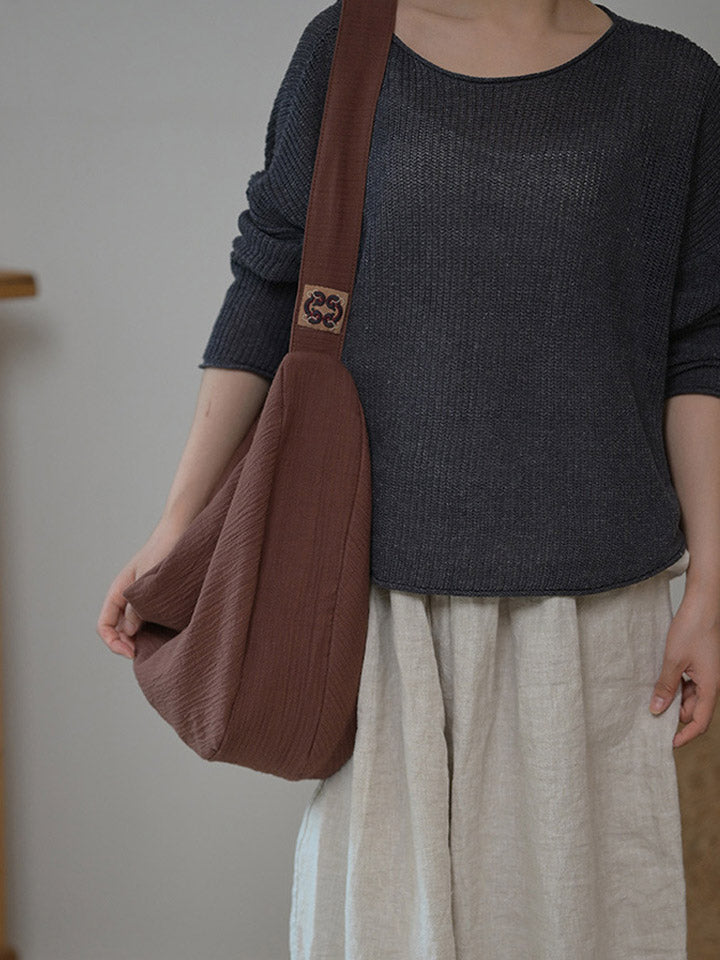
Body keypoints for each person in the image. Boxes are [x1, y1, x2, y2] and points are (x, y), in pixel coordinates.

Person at [98, 0, 720, 956]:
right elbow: (269, 283)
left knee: (582, 928)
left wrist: (710, 582)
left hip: (597, 622)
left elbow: (700, 347)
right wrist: (176, 526)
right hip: (381, 611)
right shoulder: (347, 47)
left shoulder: (675, 86)